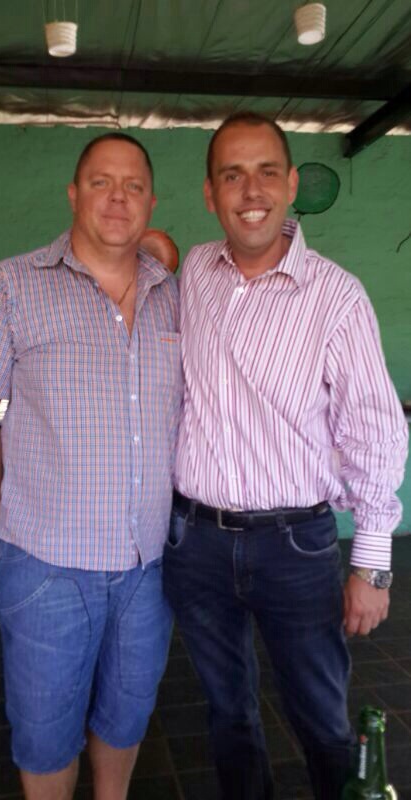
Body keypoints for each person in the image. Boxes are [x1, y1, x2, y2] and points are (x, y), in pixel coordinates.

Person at [163, 112, 408, 800]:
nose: (252, 190)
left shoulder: (336, 295)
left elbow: (376, 429)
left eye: (267, 171)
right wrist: (151, 247)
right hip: (196, 543)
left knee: (322, 720)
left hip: (296, 546)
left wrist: (372, 565)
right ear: (210, 193)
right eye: (232, 175)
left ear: (292, 184)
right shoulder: (193, 276)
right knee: (229, 716)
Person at [0, 132, 182, 800]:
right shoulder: (13, 283)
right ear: (73, 194)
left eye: (134, 186)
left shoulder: (175, 292)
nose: (118, 198)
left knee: (126, 717)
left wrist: (159, 250)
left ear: (151, 202)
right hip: (47, 565)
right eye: (100, 182)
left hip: (150, 567)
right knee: (45, 733)